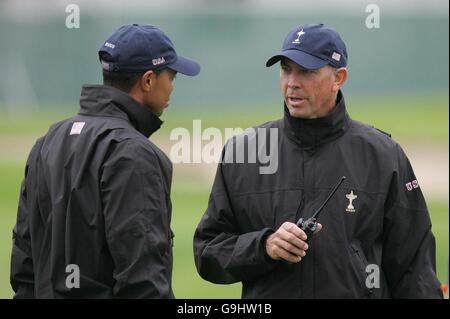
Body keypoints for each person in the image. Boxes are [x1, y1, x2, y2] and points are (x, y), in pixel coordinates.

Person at [193, 23, 442, 298]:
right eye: (286, 69)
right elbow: (208, 253)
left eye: (306, 71)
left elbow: (415, 272)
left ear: (339, 77)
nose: (292, 82)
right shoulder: (244, 152)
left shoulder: (384, 156)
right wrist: (264, 246)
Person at [10, 24, 200, 298]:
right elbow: (143, 280)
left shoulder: (47, 141)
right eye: (171, 77)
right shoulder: (134, 153)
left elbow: (24, 267)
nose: (172, 88)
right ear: (148, 81)